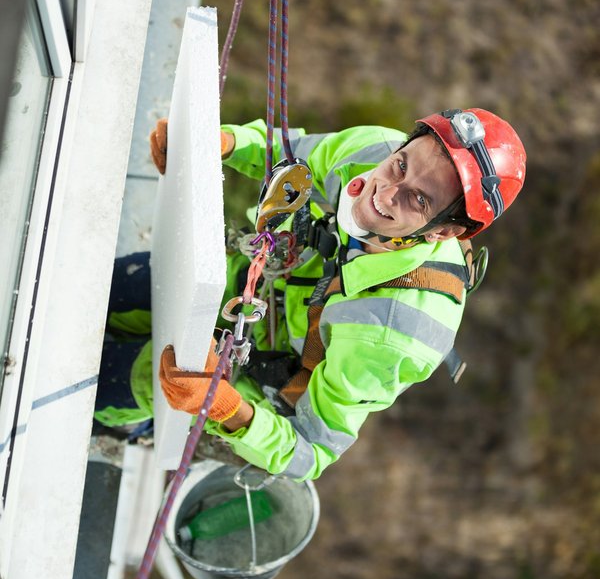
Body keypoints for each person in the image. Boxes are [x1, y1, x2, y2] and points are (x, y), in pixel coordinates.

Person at [95, 109, 526, 478]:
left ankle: (136, 424)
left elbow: (312, 450)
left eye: (418, 200)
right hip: (238, 282)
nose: (383, 193)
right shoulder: (374, 150)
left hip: (246, 378)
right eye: (400, 166)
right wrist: (220, 142)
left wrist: (225, 409)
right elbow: (293, 157)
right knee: (98, 292)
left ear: (446, 232)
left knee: (105, 378)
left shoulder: (396, 334)